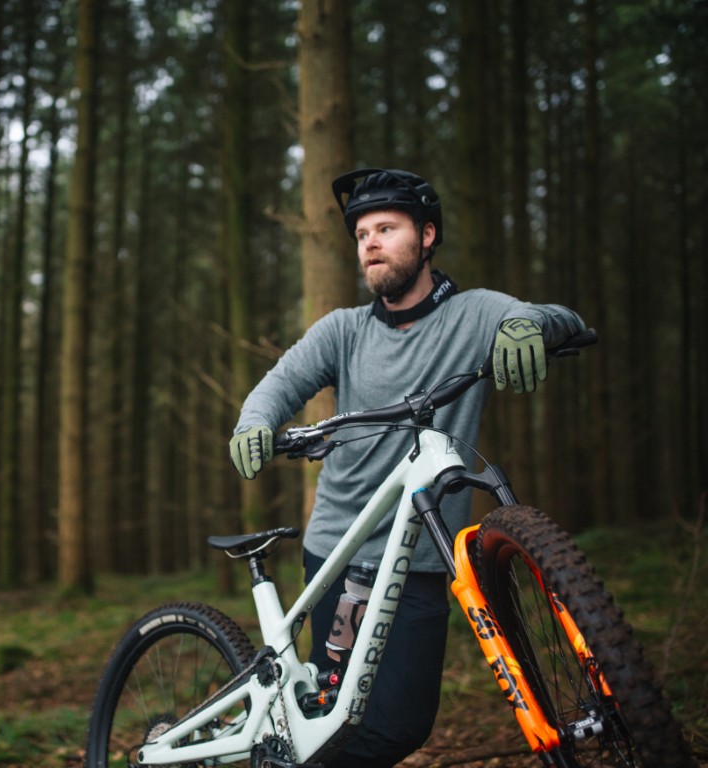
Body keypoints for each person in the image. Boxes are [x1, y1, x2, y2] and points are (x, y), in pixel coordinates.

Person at [228, 168, 585, 768]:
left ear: (427, 237)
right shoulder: (342, 330)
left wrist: (530, 325)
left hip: (421, 557)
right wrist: (253, 424)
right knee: (334, 716)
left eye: (386, 228)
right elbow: (279, 384)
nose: (369, 242)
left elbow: (557, 316)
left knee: (401, 724)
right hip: (341, 552)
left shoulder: (474, 313)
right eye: (362, 232)